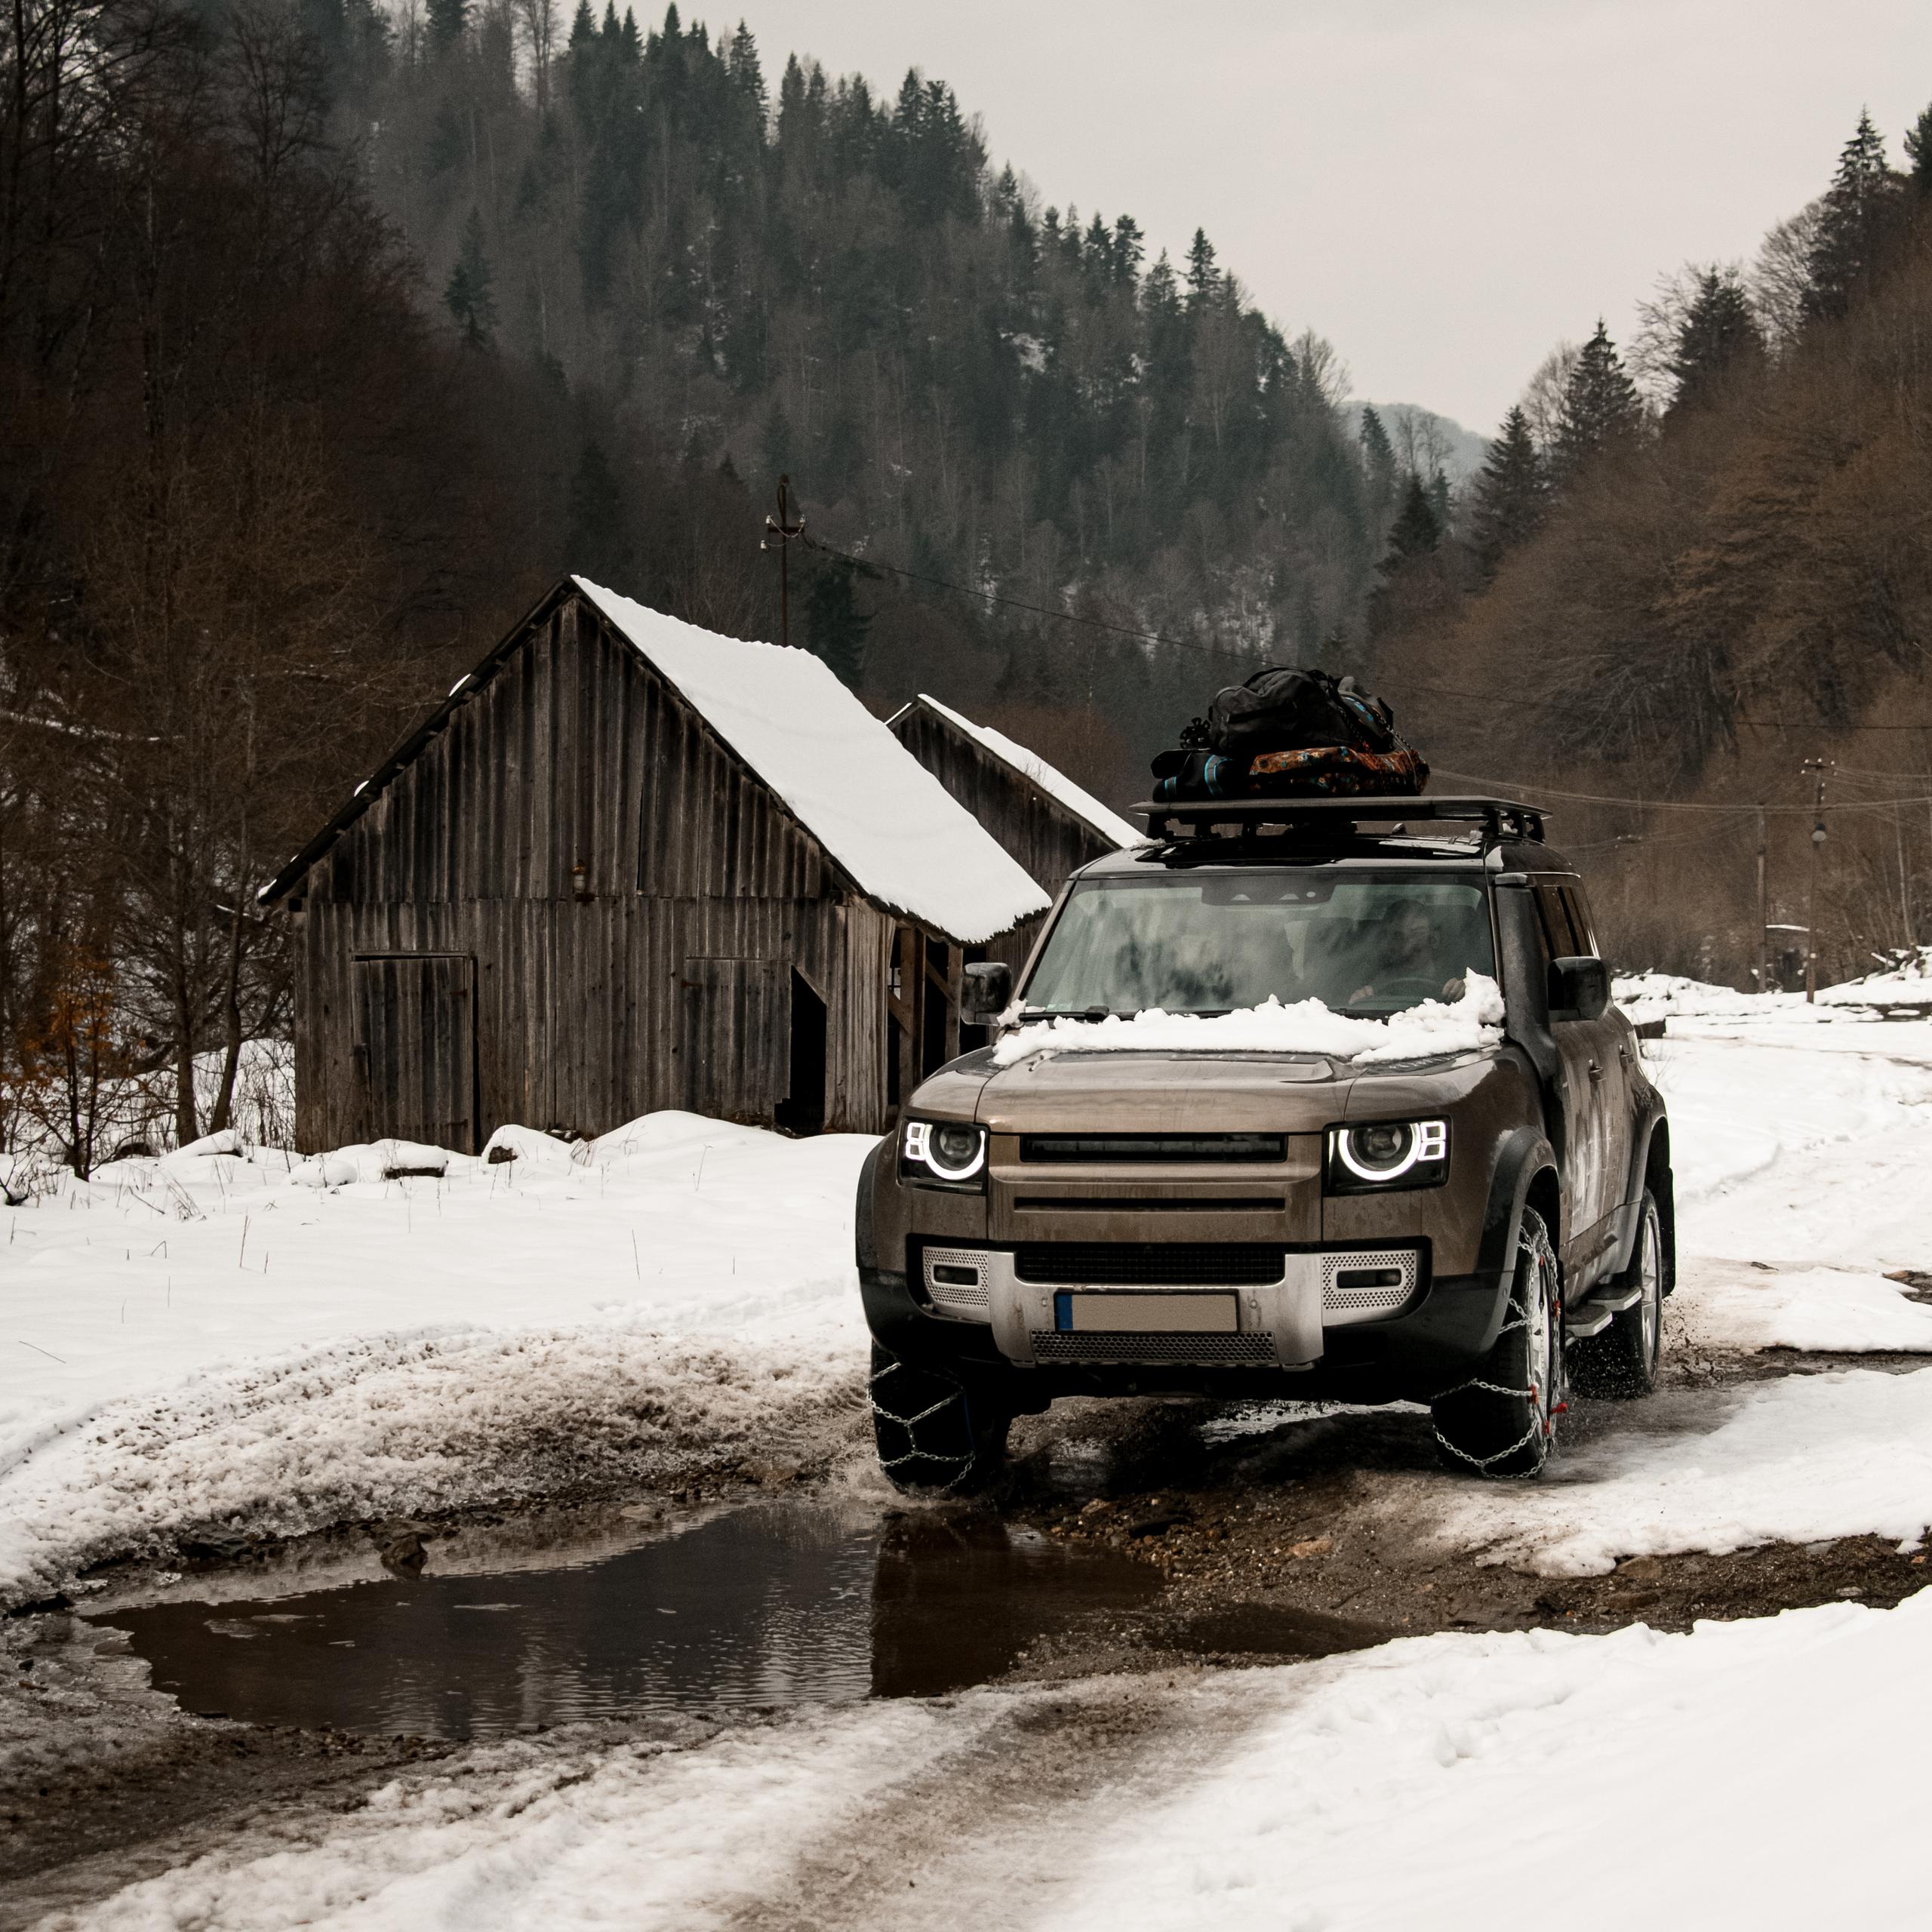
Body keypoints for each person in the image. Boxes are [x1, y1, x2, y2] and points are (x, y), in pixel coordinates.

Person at [1347, 900, 1467, 1008]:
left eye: (1417, 933)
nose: (1407, 945)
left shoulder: (1454, 978)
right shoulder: (1370, 981)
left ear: (1434, 939)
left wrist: (1468, 994)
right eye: (1397, 936)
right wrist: (1358, 1002)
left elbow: (1477, 1014)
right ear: (1388, 942)